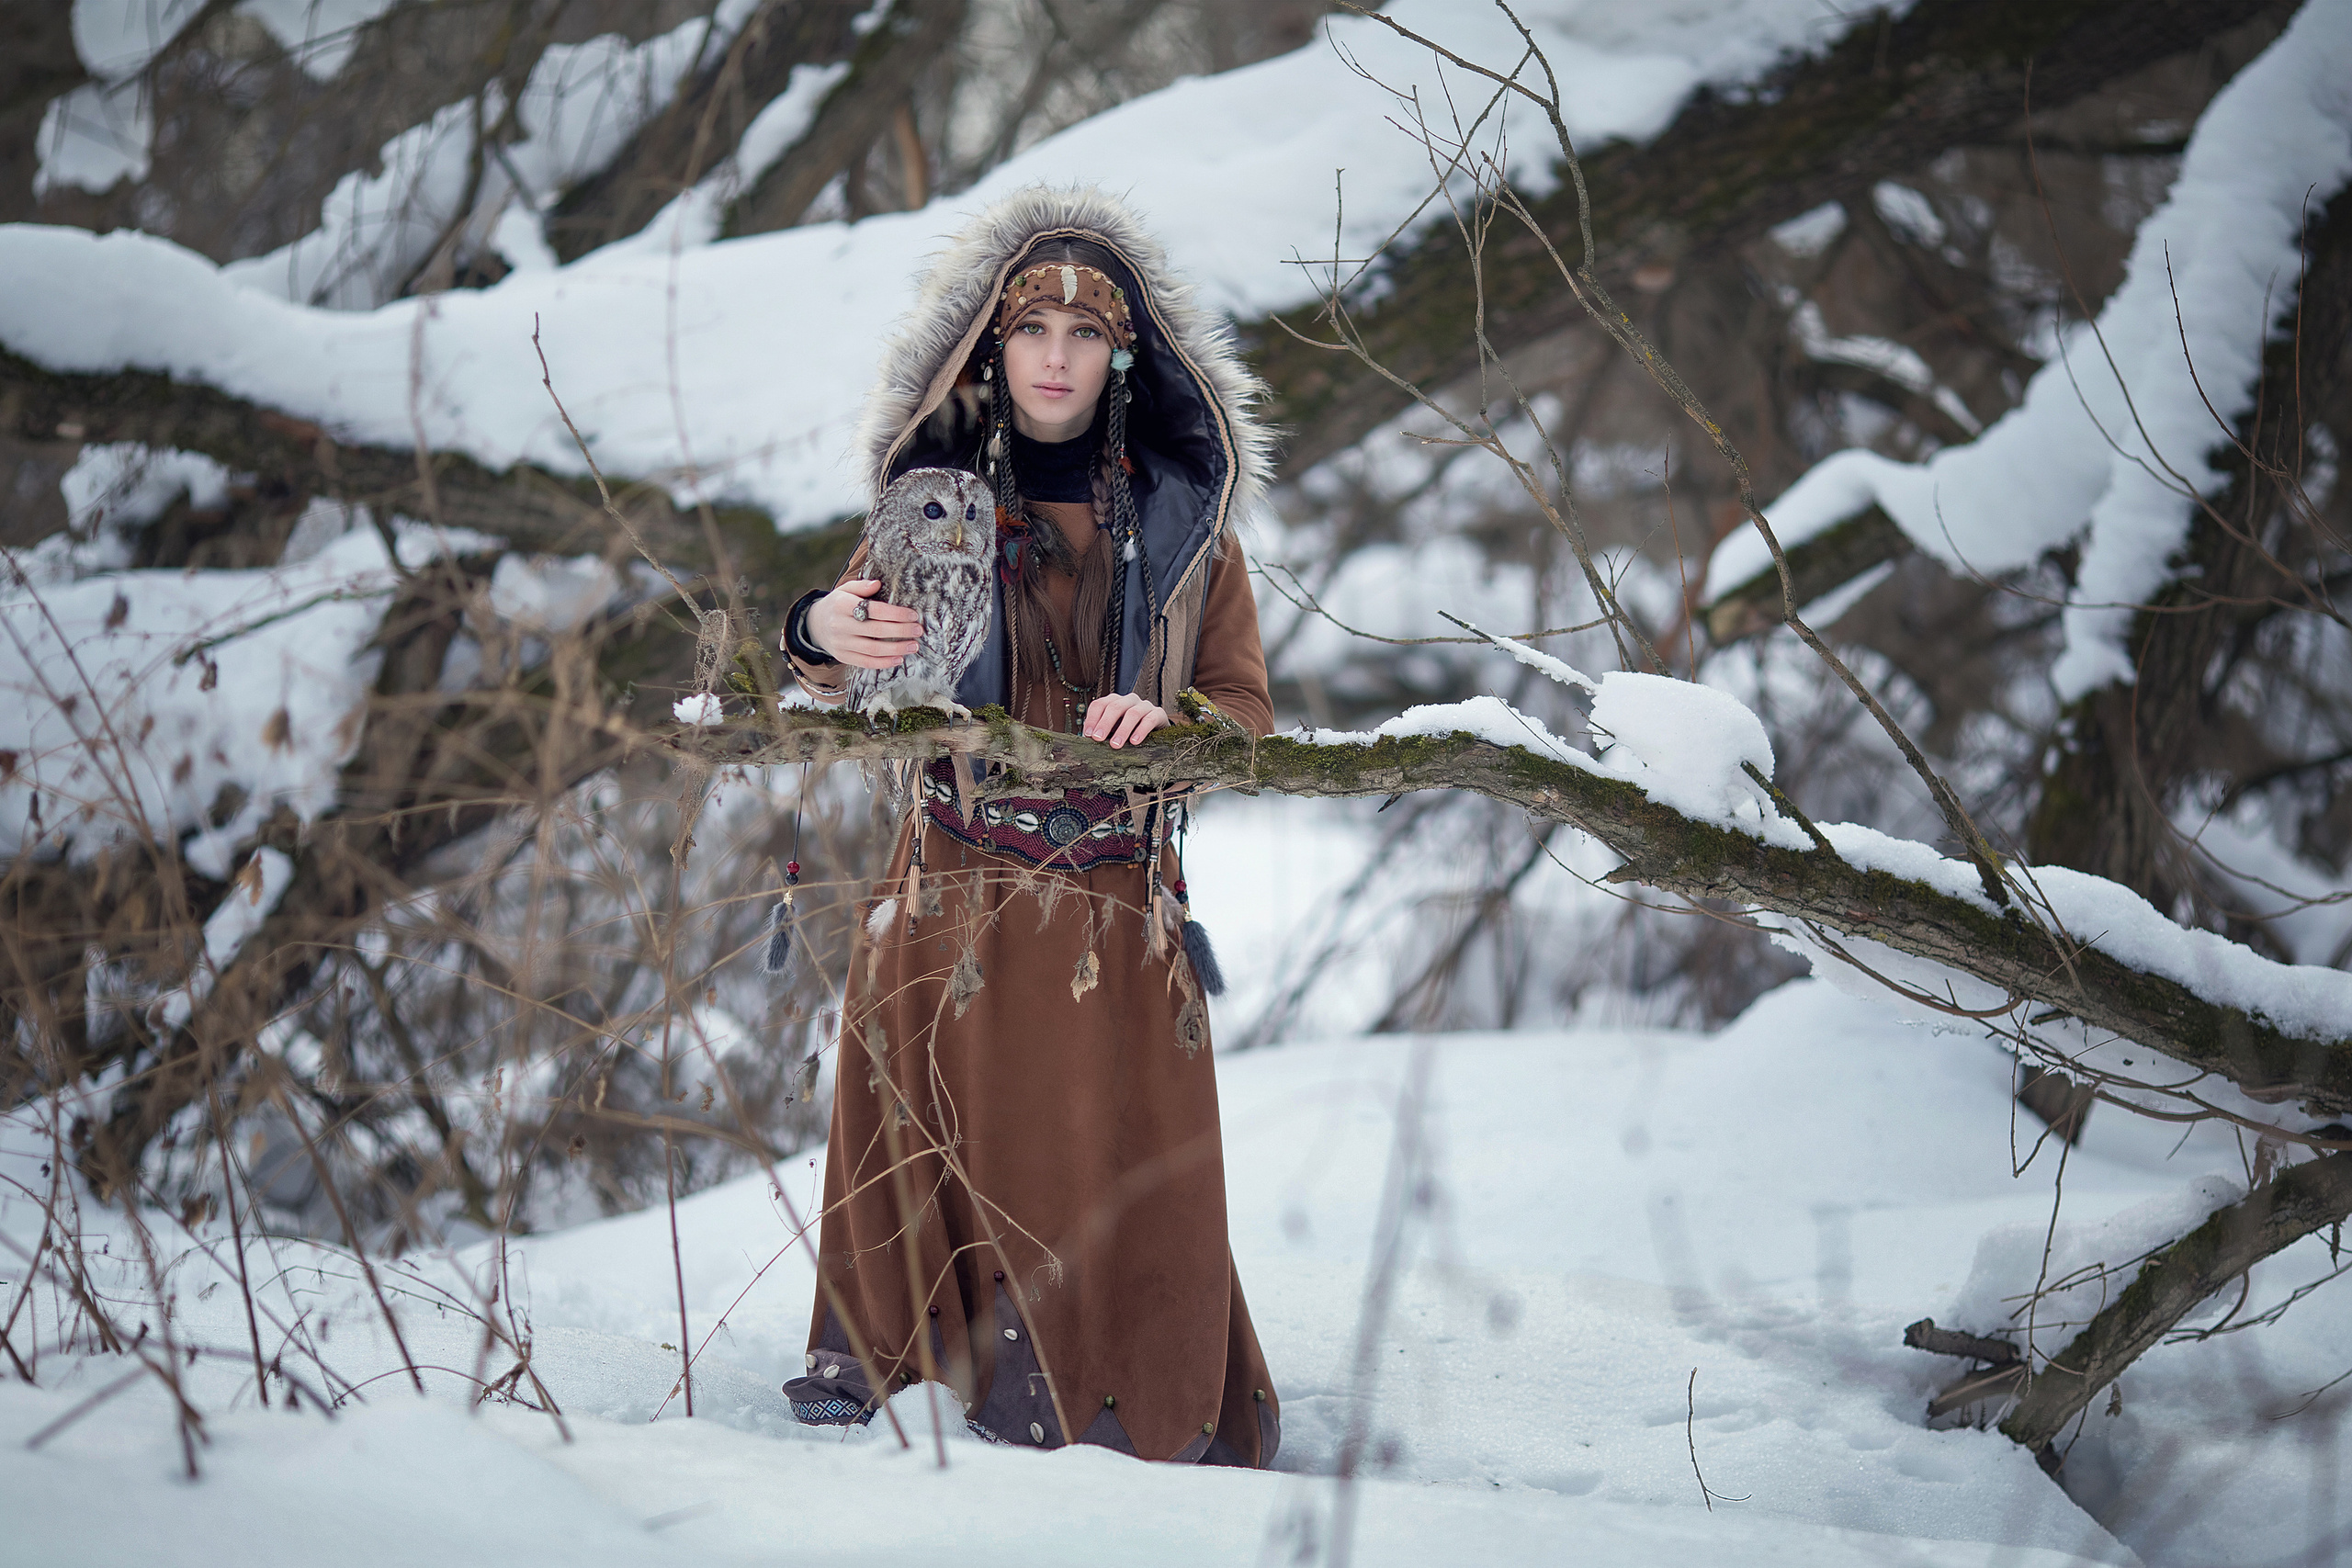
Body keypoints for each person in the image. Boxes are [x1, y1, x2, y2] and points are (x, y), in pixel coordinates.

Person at [776, 186, 1281, 1465]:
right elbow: (843, 664)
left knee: (1097, 1157)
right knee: (931, 1131)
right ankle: (893, 1372)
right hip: (945, 881)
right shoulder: (928, 504)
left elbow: (1244, 711)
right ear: (993, 350)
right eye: (1031, 328)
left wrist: (1179, 734)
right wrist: (814, 627)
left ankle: (1118, 1396)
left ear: (1122, 354)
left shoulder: (1187, 529)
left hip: (1112, 903)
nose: (1055, 354)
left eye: (1083, 330)